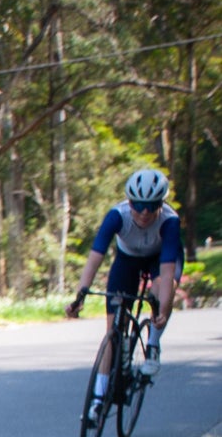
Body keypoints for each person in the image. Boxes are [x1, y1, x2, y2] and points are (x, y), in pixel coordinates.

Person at [65, 168, 183, 421]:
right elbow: (95, 257)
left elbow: (167, 267)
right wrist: (80, 296)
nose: (144, 212)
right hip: (127, 260)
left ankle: (153, 345)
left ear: (160, 204)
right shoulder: (117, 216)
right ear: (129, 202)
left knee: (163, 285)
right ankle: (98, 400)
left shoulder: (170, 222)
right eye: (138, 205)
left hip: (158, 260)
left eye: (151, 206)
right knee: (113, 331)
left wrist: (162, 310)